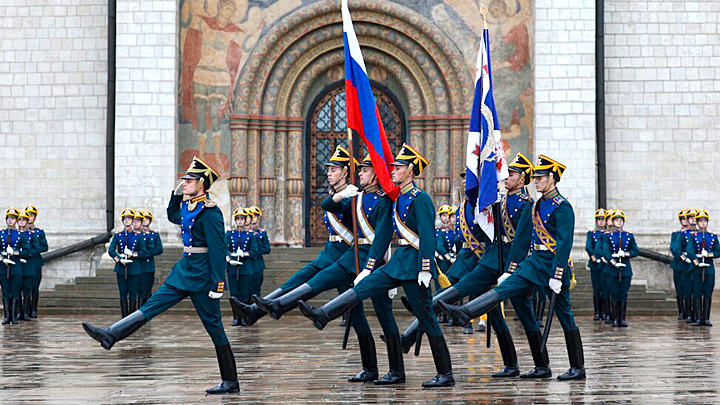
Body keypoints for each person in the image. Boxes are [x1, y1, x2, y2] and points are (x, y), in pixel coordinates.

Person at [298, 144, 456, 388]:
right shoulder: (397, 198)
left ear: (411, 171)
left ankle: (445, 373)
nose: (393, 171)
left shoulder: (420, 199)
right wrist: (368, 268)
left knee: (427, 317)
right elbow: (383, 234)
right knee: (366, 284)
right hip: (397, 262)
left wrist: (426, 267)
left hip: (415, 265)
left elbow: (427, 235)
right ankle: (325, 313)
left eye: (399, 168)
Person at [83, 156, 239, 394]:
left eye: (189, 180)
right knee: (153, 305)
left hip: (203, 276)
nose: (184, 183)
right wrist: (176, 195)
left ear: (202, 184)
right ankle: (112, 334)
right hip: (184, 270)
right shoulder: (190, 206)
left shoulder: (211, 212)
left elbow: (219, 250)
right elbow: (172, 215)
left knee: (214, 326)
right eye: (184, 180)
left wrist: (218, 282)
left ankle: (230, 381)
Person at [439, 155, 586, 381]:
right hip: (534, 261)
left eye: (541, 178)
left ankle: (577, 366)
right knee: (506, 286)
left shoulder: (562, 206)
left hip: (552, 265)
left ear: (552, 179)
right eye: (535, 177)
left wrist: (558, 274)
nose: (536, 181)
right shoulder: (537, 204)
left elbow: (564, 244)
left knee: (565, 315)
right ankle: (467, 312)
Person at [231, 146, 355, 326]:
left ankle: (264, 310)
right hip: (330, 254)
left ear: (344, 172)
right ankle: (254, 311)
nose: (328, 174)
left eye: (333, 170)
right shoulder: (337, 194)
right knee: (295, 281)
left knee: (355, 317)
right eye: (327, 170)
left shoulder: (351, 196)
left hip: (344, 257)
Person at [601, 210, 638, 327]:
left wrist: (626, 254)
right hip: (612, 268)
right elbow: (605, 251)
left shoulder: (628, 236)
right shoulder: (608, 236)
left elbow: (635, 250)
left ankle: (622, 318)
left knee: (623, 294)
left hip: (625, 268)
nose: (619, 222)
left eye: (621, 220)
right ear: (613, 222)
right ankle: (615, 318)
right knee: (614, 293)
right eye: (617, 220)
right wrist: (613, 262)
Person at [226, 207, 260, 326]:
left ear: (245, 220)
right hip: (233, 268)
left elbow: (255, 251)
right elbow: (225, 248)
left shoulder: (250, 235)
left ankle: (244, 317)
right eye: (238, 219)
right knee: (234, 294)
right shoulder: (229, 234)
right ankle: (236, 318)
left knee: (245, 294)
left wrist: (244, 254)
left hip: (246, 268)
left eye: (242, 219)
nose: (240, 221)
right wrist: (229, 258)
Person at [687, 210, 719, 327]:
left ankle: (706, 318)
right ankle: (699, 318)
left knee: (707, 293)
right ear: (697, 223)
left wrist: (709, 254)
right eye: (700, 221)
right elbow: (690, 250)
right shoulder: (693, 236)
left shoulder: (712, 236)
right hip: (697, 268)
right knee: (697, 293)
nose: (703, 223)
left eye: (705, 221)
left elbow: (718, 251)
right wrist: (696, 262)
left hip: (709, 267)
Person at [1, 208, 27, 325]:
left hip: (16, 267)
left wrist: (15, 253)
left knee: (15, 291)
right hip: (3, 267)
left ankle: (14, 316)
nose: (10, 221)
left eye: (12, 219)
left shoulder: (20, 235)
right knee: (6, 291)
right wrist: (2, 258)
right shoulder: (1, 234)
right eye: (8, 218)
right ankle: (7, 316)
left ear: (16, 220)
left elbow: (27, 250)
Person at [25, 205, 48, 318]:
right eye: (28, 215)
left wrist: (34, 249)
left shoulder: (39, 232)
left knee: (34, 287)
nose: (30, 217)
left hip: (35, 263)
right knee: (25, 287)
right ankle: (26, 310)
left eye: (32, 215)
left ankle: (33, 309)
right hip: (24, 262)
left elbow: (45, 247)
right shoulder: (22, 233)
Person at [16, 210, 39, 321]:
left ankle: (26, 312)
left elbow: (37, 248)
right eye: (19, 220)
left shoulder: (31, 235)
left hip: (28, 264)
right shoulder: (14, 234)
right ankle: (19, 312)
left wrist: (28, 253)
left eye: (24, 220)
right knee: (17, 289)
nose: (21, 222)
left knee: (27, 290)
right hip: (17, 264)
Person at [586, 208, 607, 320]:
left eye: (603, 219)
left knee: (605, 288)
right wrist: (594, 257)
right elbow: (589, 247)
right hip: (595, 264)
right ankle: (597, 312)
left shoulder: (609, 234)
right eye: (599, 219)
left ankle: (604, 311)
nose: (601, 222)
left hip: (605, 264)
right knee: (596, 289)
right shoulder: (592, 234)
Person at [140, 211, 163, 305]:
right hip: (139, 265)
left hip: (149, 266)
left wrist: (146, 253)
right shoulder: (137, 234)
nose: (145, 221)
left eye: (147, 219)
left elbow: (159, 249)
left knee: (148, 289)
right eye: (143, 219)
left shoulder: (154, 235)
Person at [670, 209, 689, 320]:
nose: (685, 221)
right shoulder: (676, 234)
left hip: (691, 264)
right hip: (679, 264)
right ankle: (681, 311)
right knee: (680, 289)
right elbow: (674, 248)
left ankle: (690, 311)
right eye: (683, 219)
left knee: (690, 289)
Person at [248, 206, 270, 299]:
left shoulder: (262, 233)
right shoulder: (244, 233)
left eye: (255, 216)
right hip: (247, 263)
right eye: (251, 216)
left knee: (256, 288)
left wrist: (256, 251)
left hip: (257, 263)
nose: (253, 218)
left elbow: (267, 249)